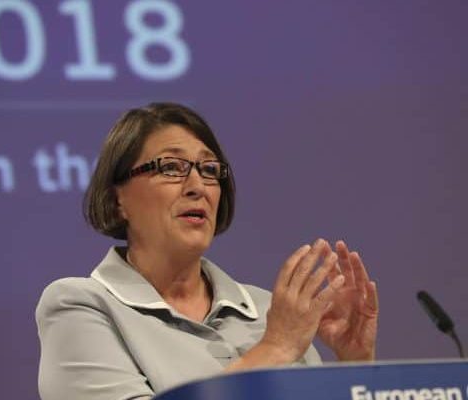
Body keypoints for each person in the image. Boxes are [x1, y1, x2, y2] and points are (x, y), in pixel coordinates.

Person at [35, 102, 379, 400]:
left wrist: (355, 368)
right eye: (171, 167)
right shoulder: (80, 306)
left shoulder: (270, 313)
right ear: (117, 199)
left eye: (209, 170)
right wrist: (274, 350)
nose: (198, 186)